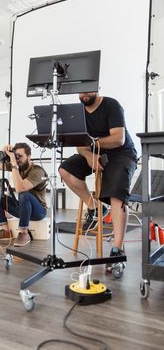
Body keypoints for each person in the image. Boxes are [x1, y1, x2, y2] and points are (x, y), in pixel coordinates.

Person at [59, 92, 137, 268]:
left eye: (89, 89)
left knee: (117, 194)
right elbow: (80, 145)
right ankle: (95, 207)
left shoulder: (111, 105)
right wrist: (87, 155)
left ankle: (117, 249)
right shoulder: (77, 112)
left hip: (122, 153)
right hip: (94, 153)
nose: (84, 94)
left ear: (97, 88)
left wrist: (91, 146)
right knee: (65, 170)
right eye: (81, 91)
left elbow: (118, 139)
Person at [0, 142, 47, 247]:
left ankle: (24, 232)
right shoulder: (18, 166)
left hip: (39, 211)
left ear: (29, 157)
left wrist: (14, 164)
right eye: (16, 156)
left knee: (24, 194)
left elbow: (20, 189)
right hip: (23, 208)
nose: (17, 159)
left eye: (20, 156)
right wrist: (2, 151)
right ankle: (5, 231)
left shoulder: (37, 171)